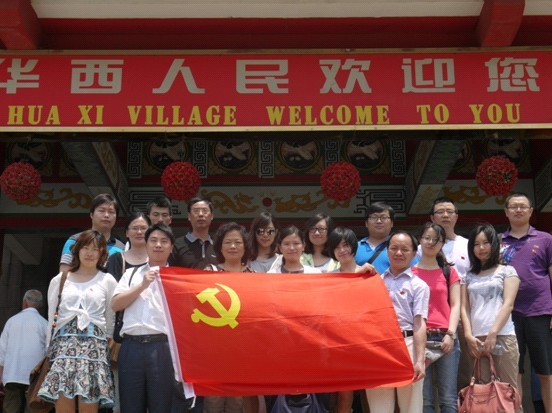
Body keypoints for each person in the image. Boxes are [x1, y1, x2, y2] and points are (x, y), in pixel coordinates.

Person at [112, 223, 188, 413]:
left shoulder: (179, 278)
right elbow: (116, 304)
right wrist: (142, 285)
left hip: (162, 348)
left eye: (164, 241)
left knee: (162, 406)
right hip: (131, 347)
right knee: (130, 406)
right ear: (146, 245)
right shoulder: (131, 274)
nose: (158, 245)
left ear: (171, 247)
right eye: (153, 240)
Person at [39, 230, 117, 412]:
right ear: (77, 250)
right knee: (63, 406)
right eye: (86, 248)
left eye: (95, 249)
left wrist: (107, 345)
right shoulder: (60, 279)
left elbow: (110, 318)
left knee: (88, 407)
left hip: (94, 350)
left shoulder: (108, 280)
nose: (90, 253)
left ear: (102, 253)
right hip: (63, 349)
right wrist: (48, 349)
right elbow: (51, 317)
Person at [365, 230, 429, 413]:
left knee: (411, 407)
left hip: (407, 344)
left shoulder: (419, 286)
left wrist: (420, 360)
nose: (398, 253)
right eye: (393, 248)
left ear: (414, 253)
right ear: (387, 251)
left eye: (405, 249)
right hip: (380, 346)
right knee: (379, 407)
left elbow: (419, 324)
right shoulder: (374, 282)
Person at [501, 192, 552, 411]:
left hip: (540, 311)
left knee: (546, 370)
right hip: (509, 314)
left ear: (531, 211)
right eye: (514, 206)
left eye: (523, 206)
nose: (518, 210)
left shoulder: (545, 239)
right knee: (515, 371)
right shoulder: (499, 242)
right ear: (506, 212)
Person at [460, 224, 520, 392]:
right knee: (482, 393)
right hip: (476, 340)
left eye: (485, 243)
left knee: (508, 391)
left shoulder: (507, 271)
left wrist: (493, 333)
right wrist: (468, 335)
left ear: (494, 244)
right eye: (476, 244)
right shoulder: (468, 276)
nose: (481, 248)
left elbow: (508, 304)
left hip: (503, 336)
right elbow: (464, 308)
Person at [203, 222, 253, 413]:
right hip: (214, 349)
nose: (233, 246)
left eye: (238, 242)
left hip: (242, 349)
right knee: (213, 400)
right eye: (228, 242)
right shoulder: (209, 272)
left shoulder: (254, 276)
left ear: (245, 246)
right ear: (220, 247)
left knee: (237, 401)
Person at [412, 223, 460, 413]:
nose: (431, 242)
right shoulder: (410, 272)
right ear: (420, 240)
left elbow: (456, 304)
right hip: (420, 339)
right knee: (424, 400)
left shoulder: (449, 271)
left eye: (436, 239)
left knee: (448, 399)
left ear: (443, 243)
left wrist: (450, 334)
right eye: (427, 238)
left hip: (445, 338)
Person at [0, 290, 48, 413]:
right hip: (34, 377)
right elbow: (48, 352)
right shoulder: (44, 324)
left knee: (11, 408)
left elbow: (2, 350)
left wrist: (1, 374)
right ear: (40, 305)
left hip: (12, 374)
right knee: (31, 409)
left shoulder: (11, 321)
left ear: (24, 303)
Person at [60, 193, 125, 273]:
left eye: (111, 212)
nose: (106, 215)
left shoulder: (121, 247)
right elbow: (64, 274)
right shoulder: (75, 240)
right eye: (101, 211)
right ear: (91, 214)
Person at [172, 196, 217, 269]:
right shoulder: (176, 245)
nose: (200, 214)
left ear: (212, 216)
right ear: (189, 216)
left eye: (205, 211)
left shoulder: (218, 246)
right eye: (196, 211)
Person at [106, 212, 150, 281]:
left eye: (143, 228)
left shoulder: (159, 259)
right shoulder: (116, 259)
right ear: (127, 233)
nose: (139, 232)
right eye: (135, 228)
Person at [354, 202, 394, 274]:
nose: (379, 221)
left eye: (384, 217)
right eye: (374, 217)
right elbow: (346, 274)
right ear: (366, 223)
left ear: (391, 223)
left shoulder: (401, 248)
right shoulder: (354, 248)